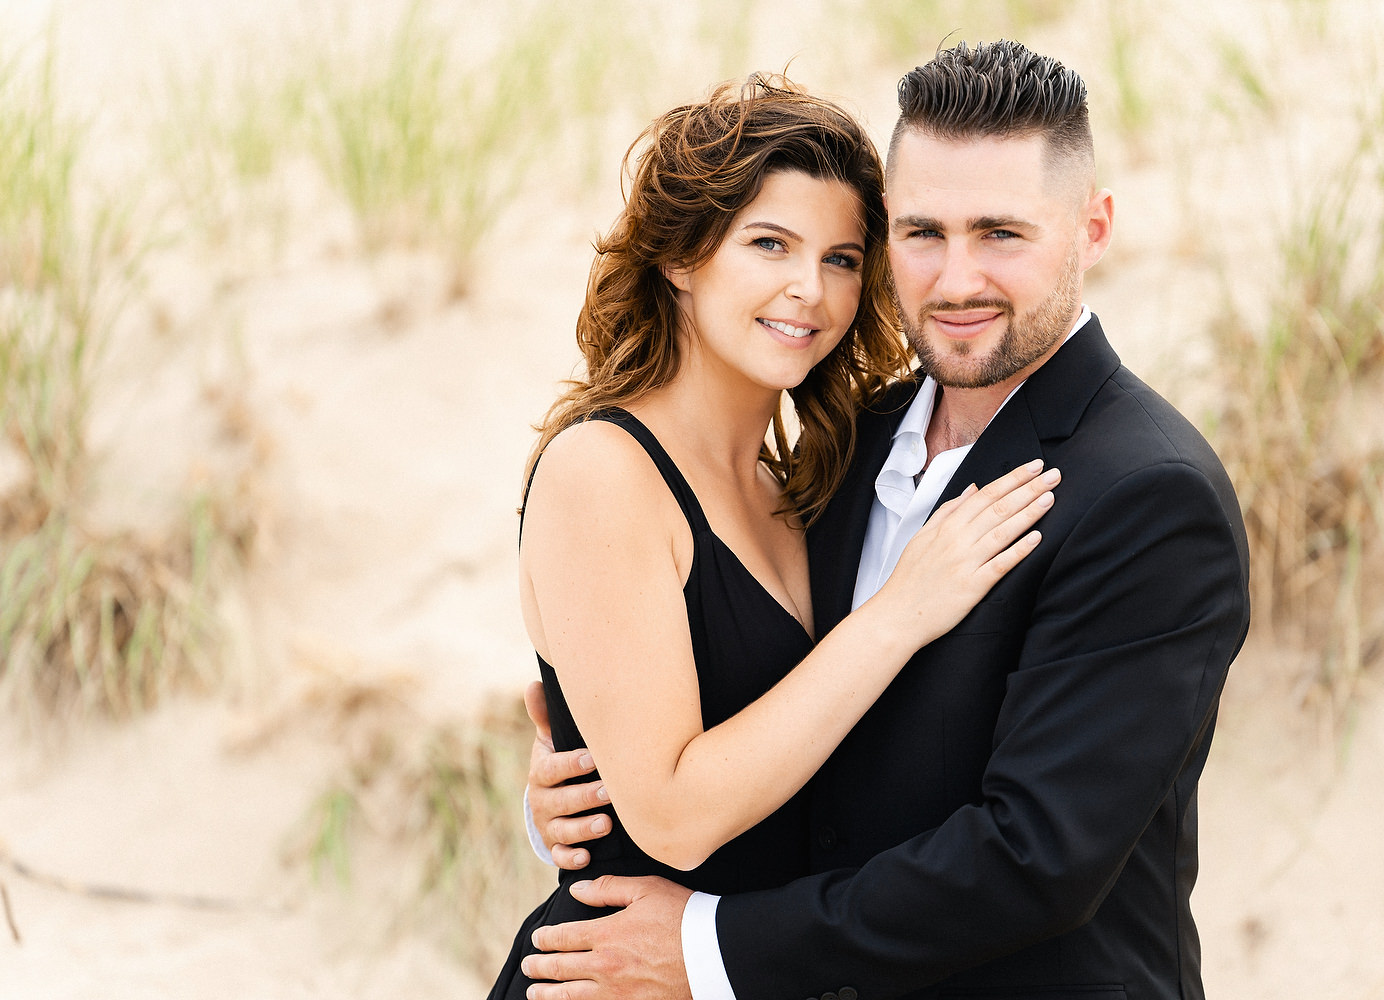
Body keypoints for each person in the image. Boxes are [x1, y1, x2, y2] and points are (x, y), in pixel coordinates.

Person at [520, 39, 1252, 1000]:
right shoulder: (841, 447)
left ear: (1093, 227)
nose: (955, 281)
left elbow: (1034, 857)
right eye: (921, 233)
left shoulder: (1150, 496)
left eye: (1002, 233)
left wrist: (711, 947)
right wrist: (580, 791)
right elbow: (731, 727)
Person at [487, 73, 1061, 1000]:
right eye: (769, 245)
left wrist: (548, 801)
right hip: (614, 980)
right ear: (680, 257)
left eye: (841, 258)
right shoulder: (603, 472)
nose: (811, 291)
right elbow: (669, 815)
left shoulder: (801, 484)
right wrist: (899, 613)